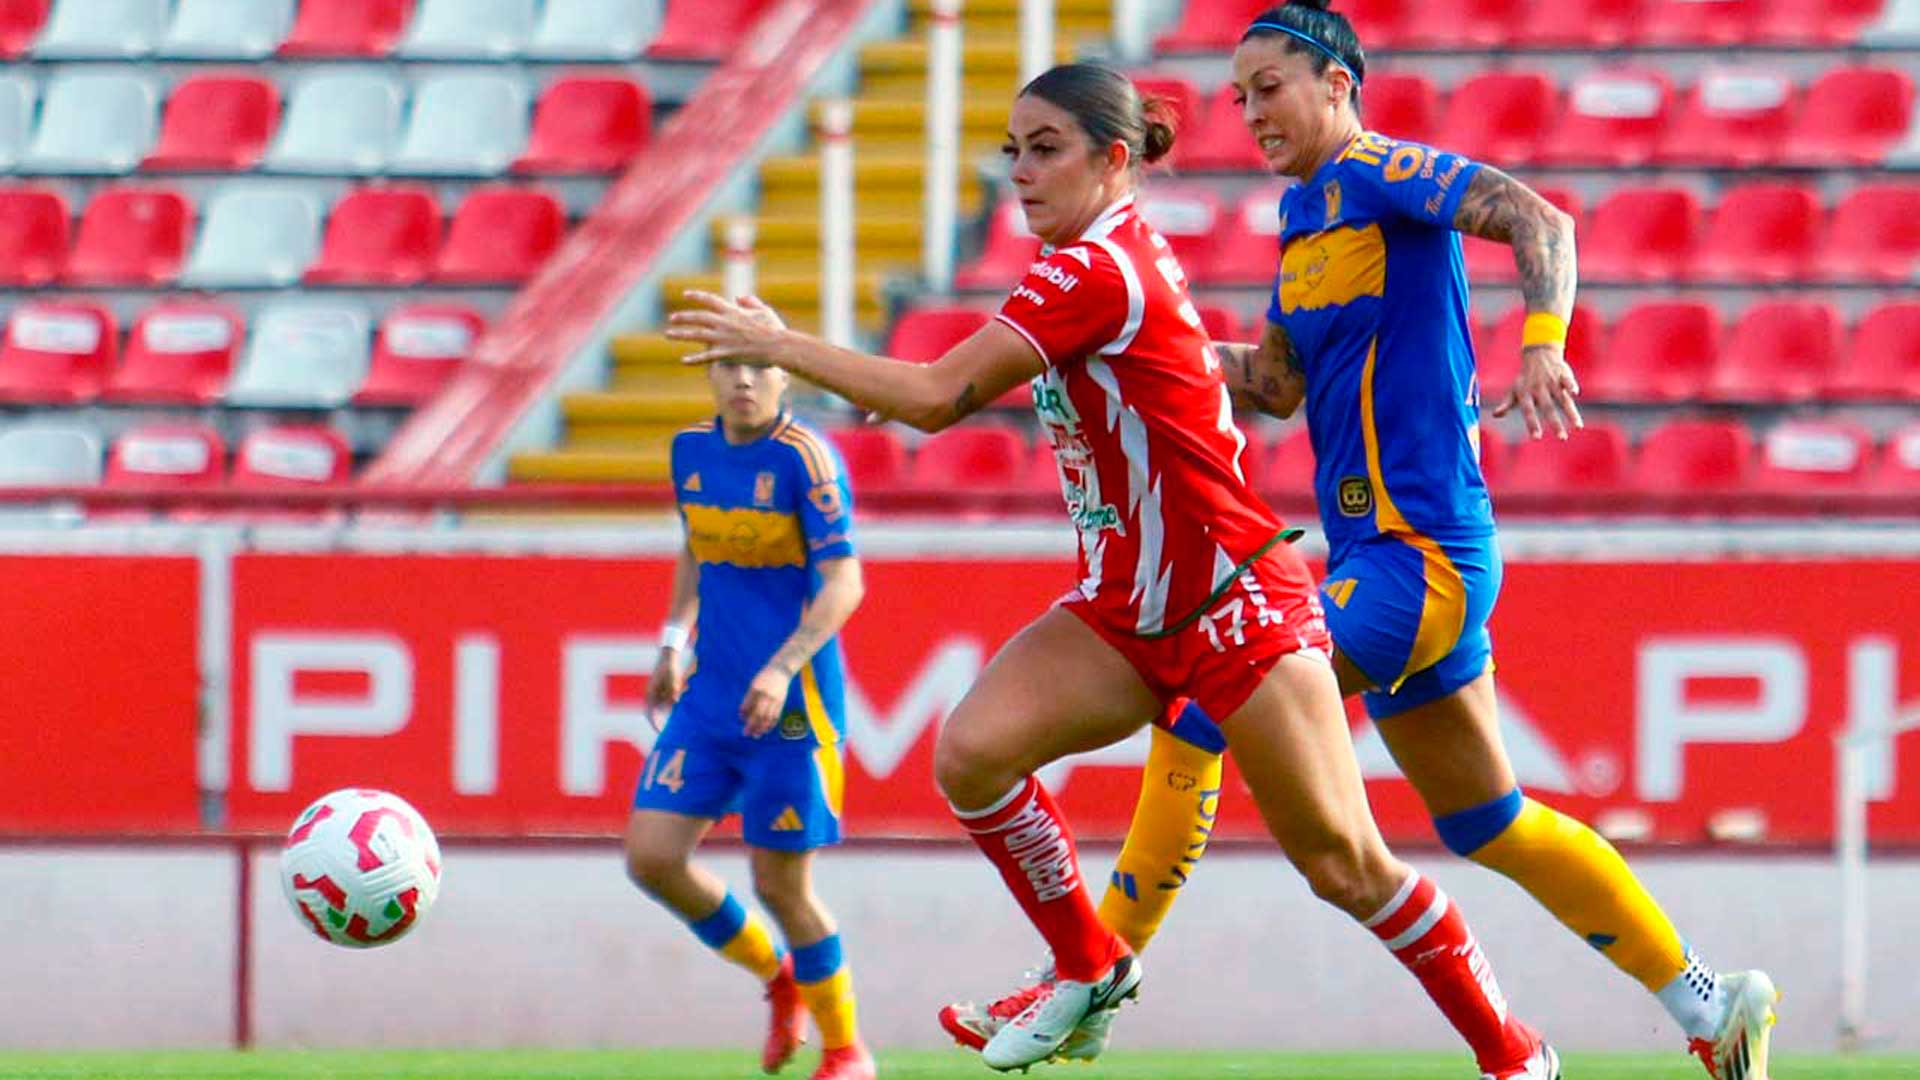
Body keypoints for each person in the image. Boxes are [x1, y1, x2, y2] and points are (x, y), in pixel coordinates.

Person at [670, 60, 1560, 1080]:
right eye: (1011, 151)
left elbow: (935, 396)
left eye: (1044, 149)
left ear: (1114, 159)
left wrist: (782, 346)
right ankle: (1089, 967)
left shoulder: (1095, 270)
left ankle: (1516, 1056)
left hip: (1235, 604)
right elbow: (961, 386)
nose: (1019, 171)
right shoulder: (1090, 259)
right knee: (971, 756)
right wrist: (892, 382)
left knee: (1345, 868)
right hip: (1129, 611)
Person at [942, 5, 1780, 1079]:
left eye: (1272, 86)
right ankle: (1708, 1000)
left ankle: (1093, 978)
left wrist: (1541, 344)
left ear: (1337, 83)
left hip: (1419, 555)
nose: (1253, 111)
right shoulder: (1303, 223)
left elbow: (1540, 221)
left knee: (1209, 697)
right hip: (1376, 559)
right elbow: (1279, 384)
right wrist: (1142, 346)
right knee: (1491, 820)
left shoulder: (1385, 172)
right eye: (1239, 95)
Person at [624, 352, 875, 1080]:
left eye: (759, 366)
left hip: (792, 710)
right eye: (729, 366)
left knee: (780, 886)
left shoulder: (808, 461)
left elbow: (846, 581)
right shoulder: (690, 451)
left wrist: (781, 667)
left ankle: (845, 1049)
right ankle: (777, 976)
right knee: (653, 858)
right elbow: (696, 548)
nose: (743, 380)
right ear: (708, 376)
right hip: (710, 696)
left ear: (785, 377)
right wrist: (673, 640)